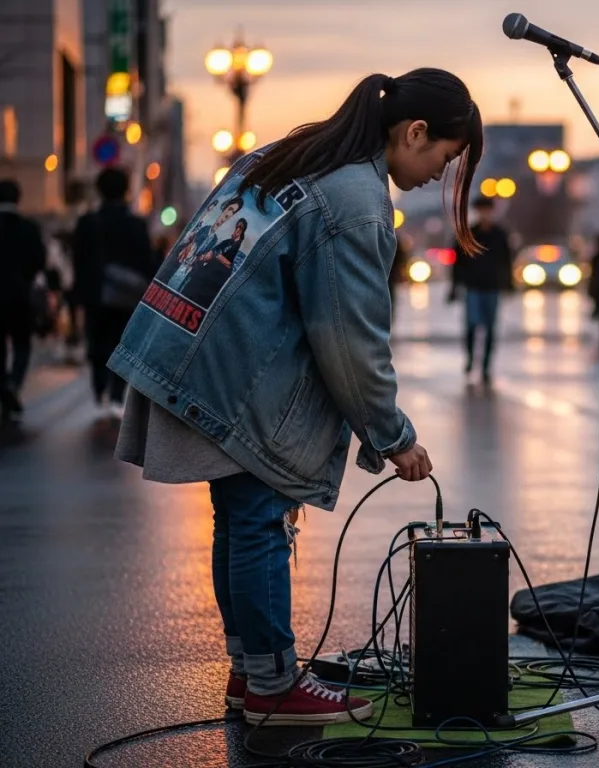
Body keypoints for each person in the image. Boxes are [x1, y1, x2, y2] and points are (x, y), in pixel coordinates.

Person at [108, 69, 483, 727]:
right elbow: (351, 343)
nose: (438, 177)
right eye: (445, 159)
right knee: (260, 521)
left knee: (239, 519)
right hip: (237, 378)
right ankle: (274, 688)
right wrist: (394, 438)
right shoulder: (359, 203)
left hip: (189, 346)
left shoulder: (293, 153)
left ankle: (252, 670)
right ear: (416, 132)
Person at [72, 167, 157, 419]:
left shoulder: (87, 222)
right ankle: (117, 394)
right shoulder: (135, 224)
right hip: (128, 295)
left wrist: (79, 294)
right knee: (123, 343)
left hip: (96, 293)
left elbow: (79, 261)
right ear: (125, 190)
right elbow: (147, 261)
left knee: (97, 340)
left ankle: (99, 389)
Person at [448, 196, 512, 383]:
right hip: (473, 286)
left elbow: (506, 261)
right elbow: (458, 263)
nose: (485, 214)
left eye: (488, 210)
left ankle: (485, 365)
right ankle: (470, 360)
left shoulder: (500, 234)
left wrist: (508, 284)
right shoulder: (468, 234)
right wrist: (455, 286)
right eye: (482, 210)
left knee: (491, 327)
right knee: (472, 325)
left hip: (492, 286)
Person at [0, 179, 47, 423]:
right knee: (21, 344)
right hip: (20, 294)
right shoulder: (28, 227)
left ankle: (3, 385)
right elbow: (39, 260)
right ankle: (13, 383)